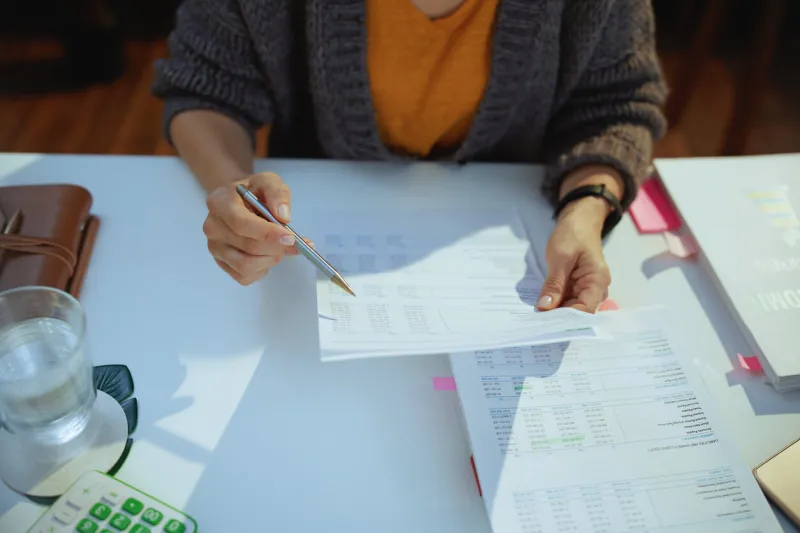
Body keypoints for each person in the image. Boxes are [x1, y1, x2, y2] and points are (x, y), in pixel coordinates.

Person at [152, 0, 667, 313]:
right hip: (302, 271)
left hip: (517, 229)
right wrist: (234, 190)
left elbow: (615, 103)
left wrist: (586, 207)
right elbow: (208, 88)